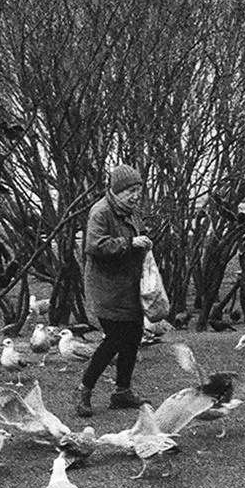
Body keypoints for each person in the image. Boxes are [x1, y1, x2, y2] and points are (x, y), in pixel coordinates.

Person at [76, 164, 152, 416]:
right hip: (106, 287)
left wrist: (143, 240)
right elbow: (94, 245)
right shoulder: (100, 211)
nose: (135, 195)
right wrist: (129, 242)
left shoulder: (130, 211)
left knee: (133, 335)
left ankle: (122, 392)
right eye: (130, 190)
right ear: (116, 190)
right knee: (115, 338)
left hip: (128, 285)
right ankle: (84, 390)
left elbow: (134, 235)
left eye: (138, 190)